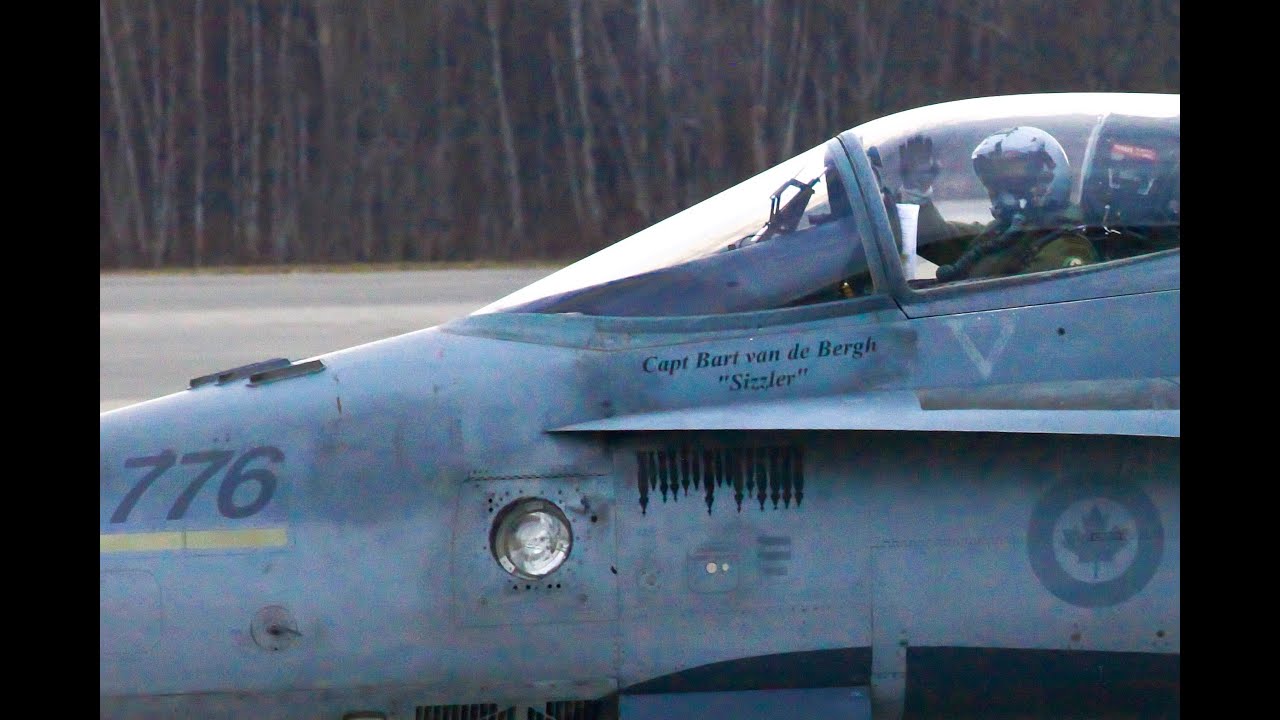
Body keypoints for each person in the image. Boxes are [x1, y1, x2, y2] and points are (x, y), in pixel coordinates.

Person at [893, 127, 1099, 282]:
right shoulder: (1004, 232)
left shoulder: (1066, 248)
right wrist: (916, 192)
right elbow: (936, 240)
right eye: (994, 179)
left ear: (1047, 176)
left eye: (1012, 178)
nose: (999, 189)